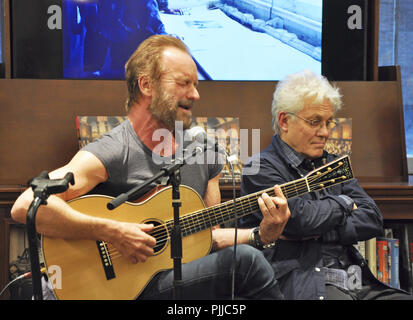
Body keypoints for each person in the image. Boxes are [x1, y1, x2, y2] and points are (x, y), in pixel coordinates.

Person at [11, 35, 289, 300]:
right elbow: (25, 206)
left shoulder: (203, 152)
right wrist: (113, 232)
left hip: (174, 276)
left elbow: (208, 237)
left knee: (250, 259)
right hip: (127, 286)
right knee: (247, 263)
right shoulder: (116, 149)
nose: (195, 94)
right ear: (146, 85)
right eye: (183, 83)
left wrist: (260, 235)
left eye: (195, 84)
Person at [239, 69, 413, 300]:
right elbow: (300, 220)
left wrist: (320, 230)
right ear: (284, 121)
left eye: (329, 122)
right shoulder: (259, 168)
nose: (325, 132)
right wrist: (344, 203)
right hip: (302, 283)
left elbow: (372, 218)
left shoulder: (332, 163)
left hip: (356, 281)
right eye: (315, 122)